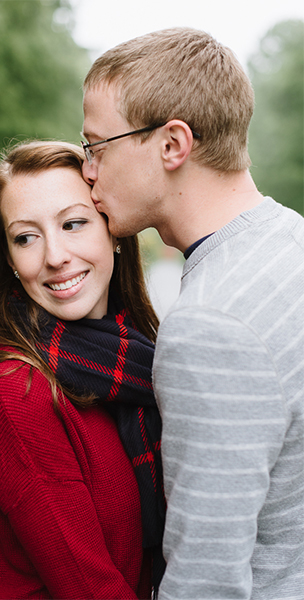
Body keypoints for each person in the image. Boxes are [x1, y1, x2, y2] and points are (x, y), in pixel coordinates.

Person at [81, 27, 304, 599]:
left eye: (97, 146)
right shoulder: (293, 242)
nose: (88, 171)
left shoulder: (211, 325)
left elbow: (205, 581)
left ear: (172, 145)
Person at [0, 140, 162, 599]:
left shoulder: (134, 365)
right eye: (26, 237)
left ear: (113, 231)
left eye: (73, 223)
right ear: (10, 261)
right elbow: (90, 589)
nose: (55, 256)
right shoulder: (16, 393)